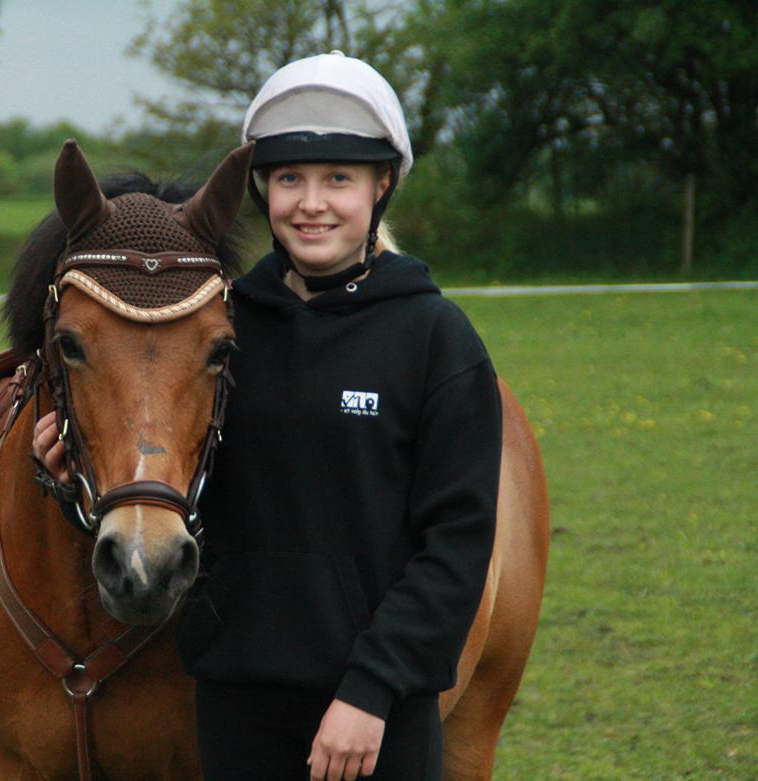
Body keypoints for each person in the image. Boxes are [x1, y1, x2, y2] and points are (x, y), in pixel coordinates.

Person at [36, 52, 501, 781]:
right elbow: (178, 479)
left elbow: (457, 543)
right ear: (261, 192)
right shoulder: (222, 332)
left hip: (378, 710)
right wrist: (78, 469)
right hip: (236, 701)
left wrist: (371, 691)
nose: (311, 203)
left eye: (338, 179)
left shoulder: (438, 341)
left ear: (382, 186)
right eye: (289, 179)